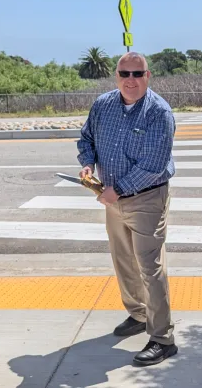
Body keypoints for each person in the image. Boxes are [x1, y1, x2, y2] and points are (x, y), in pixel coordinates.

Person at [76, 52, 178, 366]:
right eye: (124, 73)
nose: (130, 80)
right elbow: (86, 138)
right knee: (123, 261)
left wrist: (116, 190)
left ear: (148, 76)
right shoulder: (103, 105)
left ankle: (163, 338)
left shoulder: (158, 112)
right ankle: (138, 314)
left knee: (149, 266)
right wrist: (87, 163)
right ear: (116, 75)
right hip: (111, 198)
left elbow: (154, 165)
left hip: (146, 198)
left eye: (137, 74)